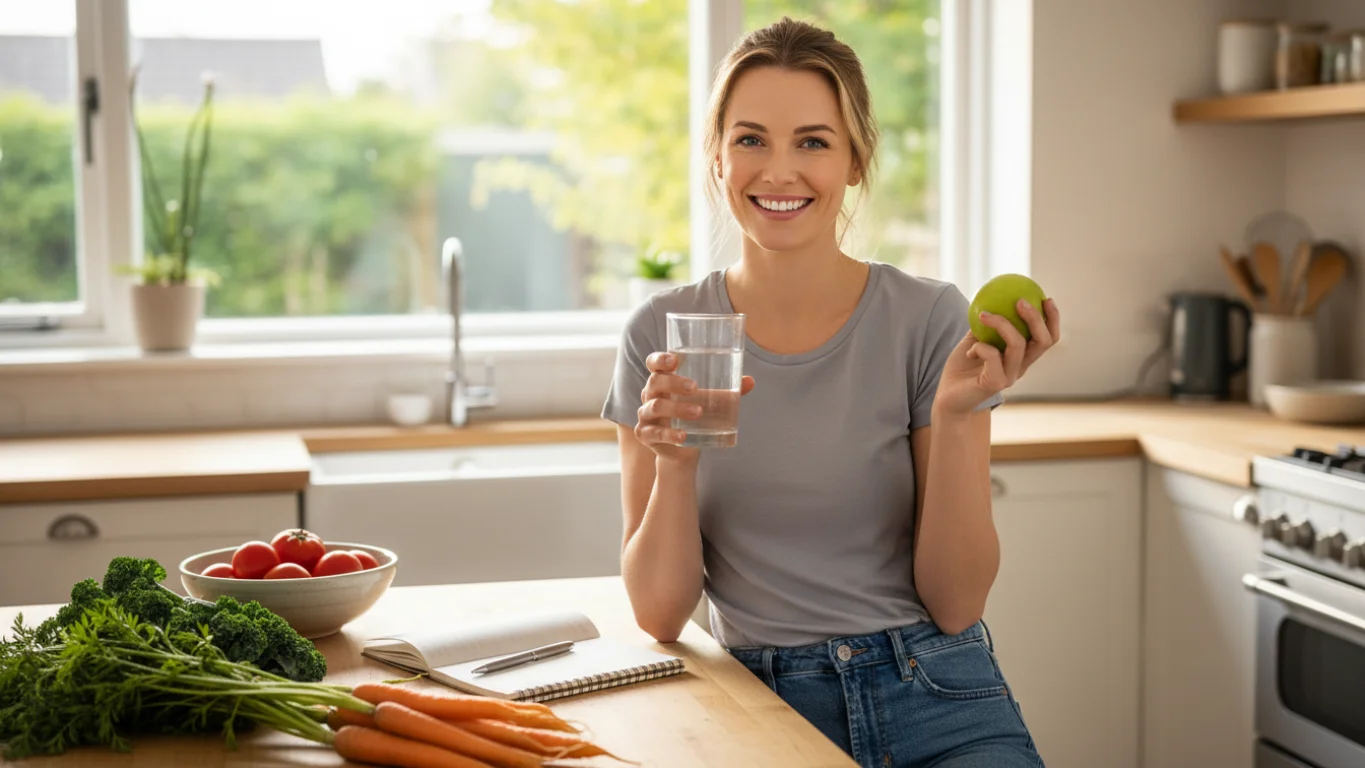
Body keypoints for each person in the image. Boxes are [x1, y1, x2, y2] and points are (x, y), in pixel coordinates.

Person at [600, 16, 1060, 768]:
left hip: (934, 689)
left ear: (853, 161)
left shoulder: (926, 318)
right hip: (759, 701)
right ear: (716, 159)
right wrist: (676, 464)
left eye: (812, 141)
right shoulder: (664, 331)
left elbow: (956, 604)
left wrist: (957, 414)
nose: (778, 171)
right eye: (750, 139)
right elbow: (657, 614)